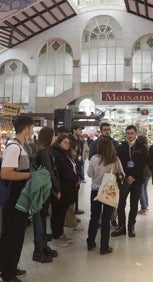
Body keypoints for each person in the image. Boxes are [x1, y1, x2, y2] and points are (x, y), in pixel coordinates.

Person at [0, 115, 34, 282]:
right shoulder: (14, 148)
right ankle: (8, 274)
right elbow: (5, 173)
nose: (33, 130)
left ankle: (9, 266)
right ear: (26, 128)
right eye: (32, 127)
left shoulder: (20, 146)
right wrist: (29, 175)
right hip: (14, 200)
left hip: (20, 199)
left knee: (15, 235)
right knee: (12, 236)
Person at [87, 138, 124, 255]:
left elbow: (89, 174)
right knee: (106, 219)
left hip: (95, 191)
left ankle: (90, 242)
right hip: (108, 191)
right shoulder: (115, 160)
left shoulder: (94, 159)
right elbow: (122, 174)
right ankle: (104, 246)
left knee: (94, 217)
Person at [111, 125, 147, 238]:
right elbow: (119, 163)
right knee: (121, 204)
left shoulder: (142, 147)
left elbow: (142, 164)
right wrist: (126, 176)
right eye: (128, 133)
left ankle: (131, 226)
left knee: (134, 204)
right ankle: (121, 226)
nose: (130, 135)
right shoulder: (121, 147)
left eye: (131, 133)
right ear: (125, 134)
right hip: (124, 180)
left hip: (137, 180)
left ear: (136, 133)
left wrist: (133, 176)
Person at [33, 127, 60, 262]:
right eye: (54, 135)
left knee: (43, 218)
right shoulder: (43, 151)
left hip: (44, 188)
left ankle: (43, 246)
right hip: (43, 189)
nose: (55, 137)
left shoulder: (44, 149)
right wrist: (57, 188)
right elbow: (49, 171)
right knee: (40, 219)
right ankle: (40, 249)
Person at [52, 134, 80, 246]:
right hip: (62, 188)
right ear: (58, 143)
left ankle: (60, 234)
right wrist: (76, 178)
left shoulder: (64, 154)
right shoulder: (57, 154)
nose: (67, 144)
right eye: (65, 142)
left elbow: (71, 167)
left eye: (68, 143)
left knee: (62, 212)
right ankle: (56, 236)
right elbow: (64, 171)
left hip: (68, 188)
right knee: (58, 213)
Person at [89, 122, 119, 228]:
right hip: (98, 180)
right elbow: (91, 158)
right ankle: (99, 221)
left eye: (108, 129)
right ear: (101, 130)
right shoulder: (95, 143)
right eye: (105, 129)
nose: (107, 131)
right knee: (98, 203)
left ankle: (113, 219)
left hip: (111, 179)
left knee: (111, 201)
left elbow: (117, 158)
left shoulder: (114, 143)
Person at [69, 124, 84, 214]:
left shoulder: (80, 141)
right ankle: (70, 212)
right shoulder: (69, 140)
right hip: (71, 167)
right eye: (79, 129)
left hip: (78, 166)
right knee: (71, 190)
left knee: (77, 188)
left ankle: (76, 208)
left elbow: (80, 153)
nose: (80, 131)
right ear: (74, 130)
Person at [137, 135, 151, 215]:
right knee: (145, 188)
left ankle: (144, 207)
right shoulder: (148, 148)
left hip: (143, 171)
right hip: (148, 171)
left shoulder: (141, 148)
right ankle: (146, 204)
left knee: (141, 189)